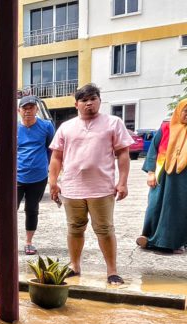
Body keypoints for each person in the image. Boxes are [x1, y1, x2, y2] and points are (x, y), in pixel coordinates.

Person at [48, 83, 132, 285]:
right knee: (75, 228)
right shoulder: (66, 127)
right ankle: (74, 266)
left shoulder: (113, 123)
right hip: (72, 188)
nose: (89, 104)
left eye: (93, 99)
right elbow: (56, 157)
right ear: (76, 104)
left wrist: (122, 182)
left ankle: (112, 271)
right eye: (84, 100)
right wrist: (53, 182)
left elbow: (123, 154)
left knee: (104, 229)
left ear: (99, 101)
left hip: (102, 188)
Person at [136, 99, 187, 254]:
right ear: (179, 110)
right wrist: (151, 172)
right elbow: (153, 149)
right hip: (163, 176)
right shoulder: (166, 127)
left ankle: (176, 242)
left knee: (180, 209)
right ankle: (151, 238)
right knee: (155, 206)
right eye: (185, 110)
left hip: (183, 179)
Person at [16, 95, 56, 255]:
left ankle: (28, 242)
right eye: (24, 108)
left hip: (39, 177)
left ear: (36, 109)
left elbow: (52, 150)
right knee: (11, 209)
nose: (28, 111)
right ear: (19, 111)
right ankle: (10, 240)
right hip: (17, 177)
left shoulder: (46, 126)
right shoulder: (13, 127)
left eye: (31, 107)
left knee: (32, 209)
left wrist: (49, 169)